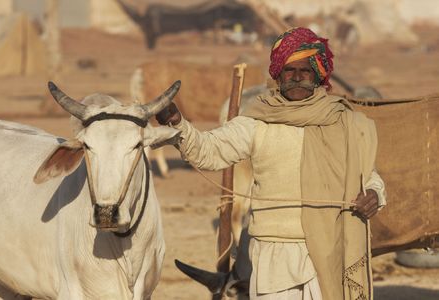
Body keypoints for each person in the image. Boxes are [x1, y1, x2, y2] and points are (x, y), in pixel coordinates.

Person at [157, 27, 386, 300]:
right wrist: (178, 124)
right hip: (272, 256)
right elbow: (209, 151)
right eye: (290, 71)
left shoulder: (342, 122)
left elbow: (367, 175)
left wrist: (375, 194)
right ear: (278, 75)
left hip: (329, 252)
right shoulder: (257, 121)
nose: (298, 78)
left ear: (318, 75)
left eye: (305, 70)